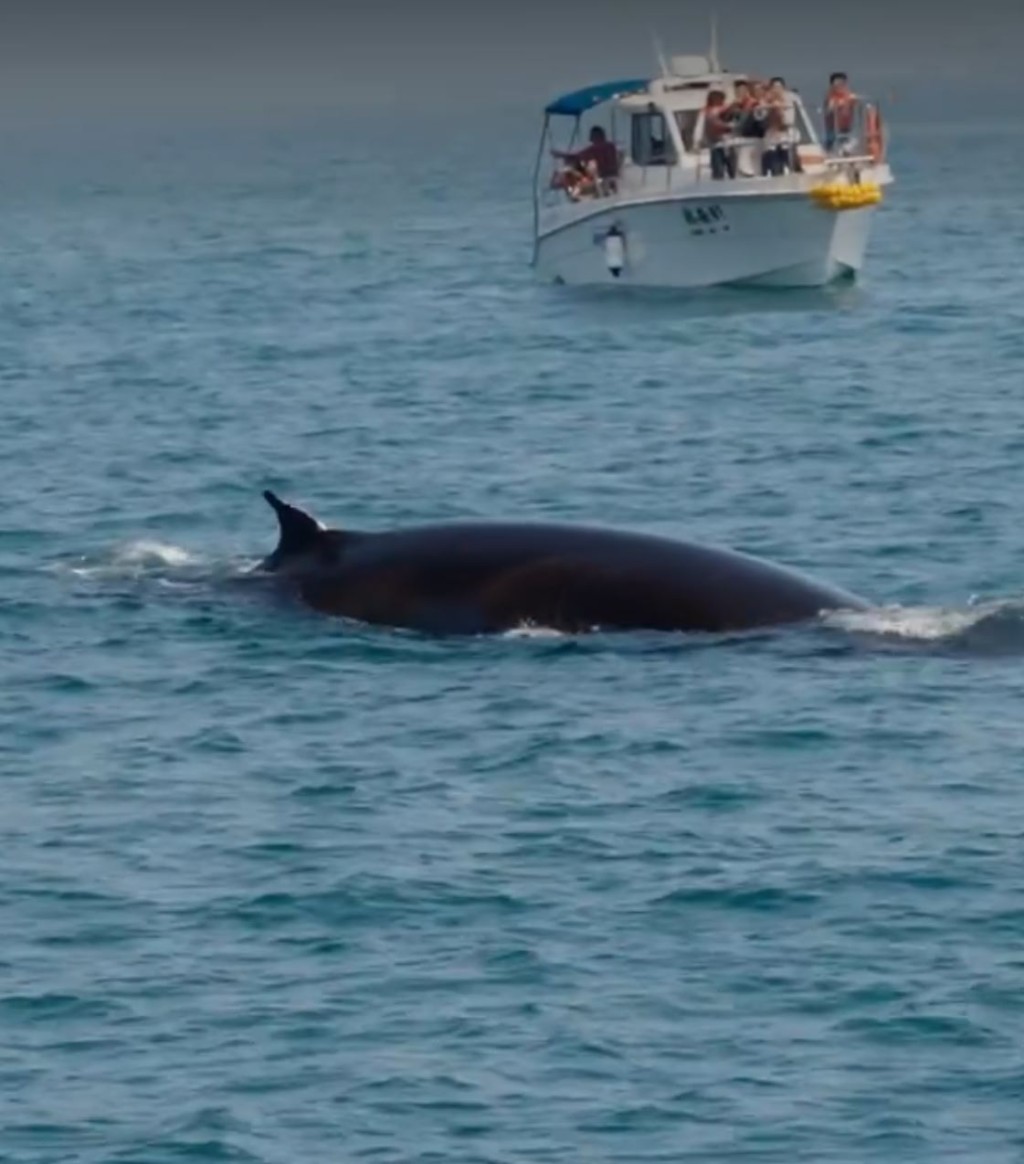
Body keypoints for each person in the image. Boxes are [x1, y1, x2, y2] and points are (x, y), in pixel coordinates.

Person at [551, 126, 620, 196]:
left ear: (596, 136)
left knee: (566, 177)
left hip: (602, 179)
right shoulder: (611, 146)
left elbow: (576, 157)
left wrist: (560, 155)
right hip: (613, 177)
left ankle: (564, 189)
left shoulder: (595, 148)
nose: (591, 140)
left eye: (592, 137)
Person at [703, 90, 736, 180]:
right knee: (718, 171)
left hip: (729, 143)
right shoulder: (708, 112)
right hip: (716, 144)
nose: (721, 101)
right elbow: (713, 122)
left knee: (733, 170)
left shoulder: (726, 109)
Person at [823, 71, 858, 153]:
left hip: (846, 127)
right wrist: (835, 105)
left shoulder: (848, 95)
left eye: (842, 83)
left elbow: (855, 103)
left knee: (851, 140)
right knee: (831, 140)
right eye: (837, 83)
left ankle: (845, 149)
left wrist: (853, 100)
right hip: (833, 128)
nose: (840, 85)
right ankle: (830, 149)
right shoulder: (831, 96)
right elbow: (828, 108)